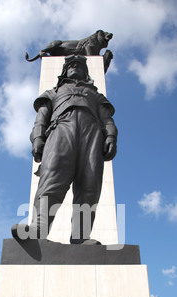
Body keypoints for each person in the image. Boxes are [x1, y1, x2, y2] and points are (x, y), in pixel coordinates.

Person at [12, 54, 118, 245]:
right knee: (52, 179)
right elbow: (41, 119)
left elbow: (107, 119)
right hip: (60, 132)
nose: (74, 68)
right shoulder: (52, 93)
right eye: (70, 65)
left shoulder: (95, 95)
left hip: (91, 135)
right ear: (64, 71)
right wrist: (37, 137)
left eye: (78, 65)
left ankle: (80, 236)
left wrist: (110, 135)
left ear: (85, 72)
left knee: (89, 185)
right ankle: (38, 229)